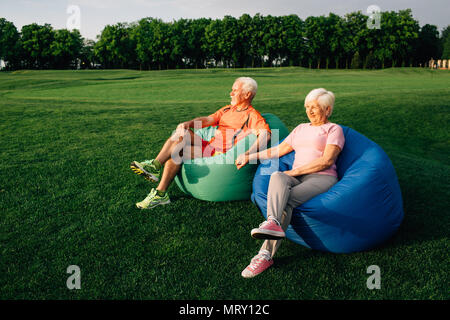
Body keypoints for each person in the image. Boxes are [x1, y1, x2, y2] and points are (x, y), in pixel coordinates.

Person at [235, 88, 345, 278]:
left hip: (321, 177)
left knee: (286, 200)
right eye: (307, 107)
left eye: (316, 107)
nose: (310, 111)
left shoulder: (334, 129)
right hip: (297, 176)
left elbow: (327, 161)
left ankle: (264, 255)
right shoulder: (301, 128)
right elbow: (277, 150)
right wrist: (250, 156)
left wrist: (294, 171)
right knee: (277, 176)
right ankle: (273, 222)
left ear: (327, 110)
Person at [131, 77, 271, 209]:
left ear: (247, 95)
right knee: (181, 133)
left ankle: (160, 193)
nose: (231, 93)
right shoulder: (227, 109)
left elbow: (266, 135)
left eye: (235, 90)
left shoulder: (252, 115)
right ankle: (155, 165)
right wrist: (188, 123)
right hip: (208, 147)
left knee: (177, 152)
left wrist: (248, 153)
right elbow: (207, 120)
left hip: (219, 153)